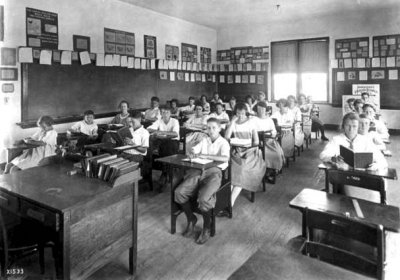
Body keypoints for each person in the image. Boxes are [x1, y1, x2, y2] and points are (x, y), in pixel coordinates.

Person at [175, 118, 230, 244]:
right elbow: (194, 150)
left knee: (204, 198)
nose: (210, 131)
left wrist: (207, 156)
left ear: (219, 129)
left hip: (215, 173)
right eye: (208, 128)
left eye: (213, 128)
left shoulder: (223, 142)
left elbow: (225, 157)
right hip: (199, 170)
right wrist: (192, 154)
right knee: (179, 192)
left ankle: (206, 227)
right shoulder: (205, 140)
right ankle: (191, 219)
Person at [319, 112, 387, 203]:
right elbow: (323, 155)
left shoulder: (365, 140)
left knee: (373, 196)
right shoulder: (337, 139)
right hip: (344, 177)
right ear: (343, 126)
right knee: (349, 196)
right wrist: (335, 159)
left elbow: (382, 161)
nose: (351, 129)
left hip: (364, 177)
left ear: (358, 126)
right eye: (348, 125)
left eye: (354, 126)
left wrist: (374, 166)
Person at [225, 102, 266, 207]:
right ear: (235, 113)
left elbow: (256, 141)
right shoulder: (234, 123)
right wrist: (232, 121)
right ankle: (225, 202)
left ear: (246, 113)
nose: (241, 116)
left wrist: (248, 144)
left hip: (250, 151)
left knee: (242, 169)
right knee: (232, 170)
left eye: (243, 113)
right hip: (236, 151)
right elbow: (226, 137)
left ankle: (230, 202)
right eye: (238, 113)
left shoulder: (251, 122)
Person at [147, 107, 180, 191]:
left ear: (170, 113)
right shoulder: (159, 121)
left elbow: (175, 134)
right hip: (162, 143)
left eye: (167, 112)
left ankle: (164, 173)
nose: (165, 114)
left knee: (167, 145)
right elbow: (149, 129)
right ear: (161, 114)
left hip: (173, 143)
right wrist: (156, 132)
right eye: (163, 112)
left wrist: (161, 132)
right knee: (158, 146)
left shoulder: (174, 121)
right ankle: (165, 172)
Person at [253, 101, 285, 181]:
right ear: (256, 110)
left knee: (276, 153)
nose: (261, 111)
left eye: (263, 109)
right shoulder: (253, 119)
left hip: (269, 141)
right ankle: (264, 172)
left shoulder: (269, 120)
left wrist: (271, 134)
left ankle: (272, 171)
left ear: (266, 110)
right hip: (259, 142)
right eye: (259, 109)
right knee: (263, 153)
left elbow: (274, 131)